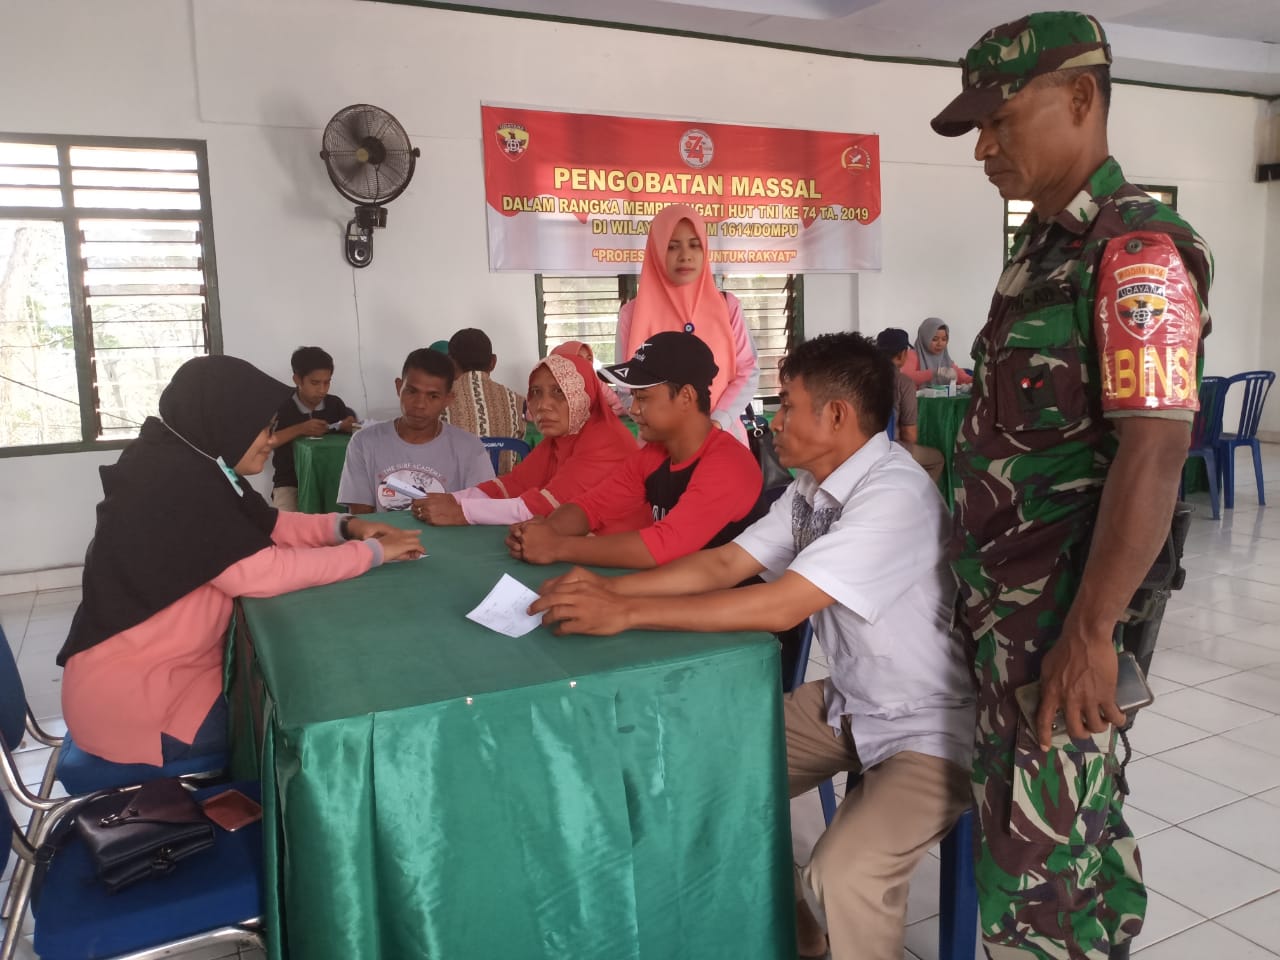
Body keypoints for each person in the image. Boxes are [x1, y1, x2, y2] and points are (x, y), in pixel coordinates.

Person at [530, 333, 974, 960]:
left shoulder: (892, 494)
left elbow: (782, 604)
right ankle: (800, 934)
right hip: (851, 702)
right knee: (701, 770)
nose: (775, 420)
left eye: (788, 405)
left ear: (837, 415)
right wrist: (606, 589)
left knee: (843, 873)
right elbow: (724, 563)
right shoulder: (811, 488)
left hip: (928, 723)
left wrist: (624, 610)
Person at [930, 12, 1212, 959]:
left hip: (1061, 633)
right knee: (1068, 852)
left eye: (1000, 120)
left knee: (1036, 890)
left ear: (1082, 98)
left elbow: (1155, 453)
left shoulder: (1136, 254)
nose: (984, 147)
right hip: (1010, 626)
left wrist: (1091, 635)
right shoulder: (1043, 251)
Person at [56, 355, 424, 766]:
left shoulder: (192, 460)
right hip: (139, 705)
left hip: (156, 676)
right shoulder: (175, 483)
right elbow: (264, 572)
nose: (271, 440)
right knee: (304, 732)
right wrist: (372, 553)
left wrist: (346, 526)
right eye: (264, 429)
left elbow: (268, 522)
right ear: (227, 422)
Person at [506, 331, 763, 569]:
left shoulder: (728, 465)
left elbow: (662, 545)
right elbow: (591, 507)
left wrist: (556, 546)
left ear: (685, 397)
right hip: (677, 588)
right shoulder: (654, 455)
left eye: (643, 398)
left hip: (735, 597)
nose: (633, 409)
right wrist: (546, 530)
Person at [415, 351, 647, 530]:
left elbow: (541, 507)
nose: (542, 405)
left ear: (584, 395)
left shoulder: (605, 442)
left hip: (613, 551)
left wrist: (461, 512)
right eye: (536, 392)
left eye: (558, 392)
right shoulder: (560, 439)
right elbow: (514, 484)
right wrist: (450, 499)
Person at [615, 203, 759, 442]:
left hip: (722, 438)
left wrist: (717, 422)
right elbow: (625, 385)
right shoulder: (632, 314)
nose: (685, 255)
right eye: (672, 246)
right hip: (660, 443)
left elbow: (748, 371)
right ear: (656, 250)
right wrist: (666, 427)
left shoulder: (728, 306)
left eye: (694, 245)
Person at [338, 348, 494, 514]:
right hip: (380, 532)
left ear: (448, 399)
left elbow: (481, 512)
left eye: (433, 396)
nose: (420, 404)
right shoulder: (363, 443)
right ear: (399, 387)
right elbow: (360, 518)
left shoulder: (470, 448)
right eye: (412, 391)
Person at [269, 345, 359, 512]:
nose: (322, 390)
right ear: (297, 379)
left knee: (342, 520)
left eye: (327, 382)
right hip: (290, 483)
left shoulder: (335, 404)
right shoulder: (282, 407)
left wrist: (350, 426)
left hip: (332, 481)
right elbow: (267, 441)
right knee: (286, 523)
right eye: (315, 383)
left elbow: (355, 429)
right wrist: (300, 429)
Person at [442, 327, 526, 474]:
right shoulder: (516, 401)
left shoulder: (440, 399)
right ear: (493, 362)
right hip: (503, 486)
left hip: (455, 488)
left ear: (450, 363)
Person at [875, 327, 945, 484]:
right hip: (890, 447)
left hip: (862, 447)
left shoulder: (862, 378)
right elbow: (909, 435)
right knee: (937, 459)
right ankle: (916, 496)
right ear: (902, 354)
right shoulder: (903, 383)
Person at [551, 339, 628, 417]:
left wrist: (598, 418)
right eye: (579, 358)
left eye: (589, 358)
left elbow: (619, 407)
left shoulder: (595, 382)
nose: (587, 363)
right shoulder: (550, 384)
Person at [901, 317, 973, 387]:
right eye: (934, 339)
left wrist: (975, 381)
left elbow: (962, 377)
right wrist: (934, 373)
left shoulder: (945, 358)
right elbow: (905, 377)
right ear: (925, 338)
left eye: (944, 339)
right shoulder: (913, 355)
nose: (940, 344)